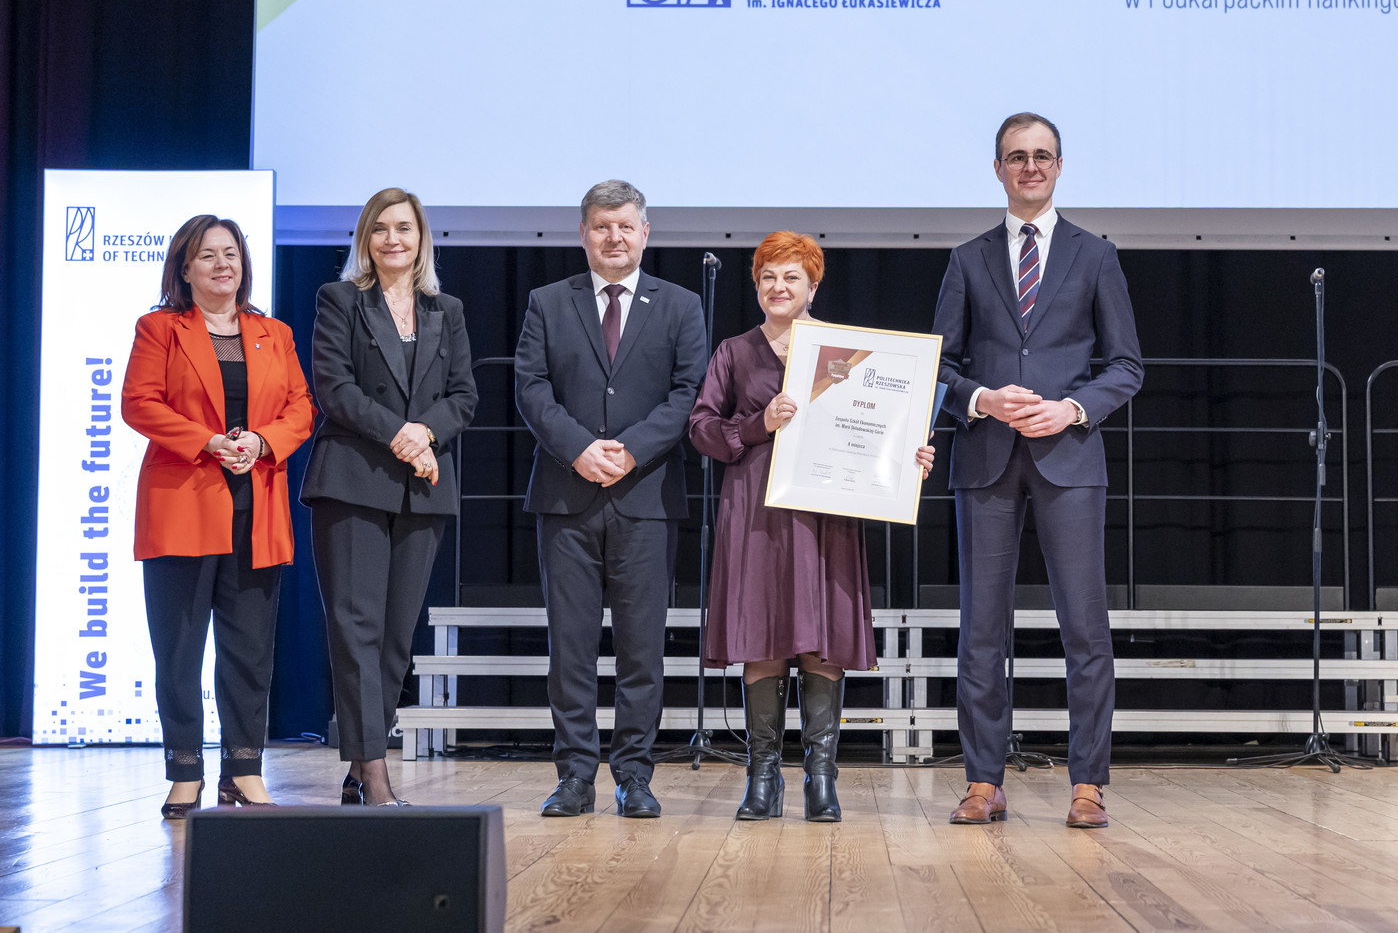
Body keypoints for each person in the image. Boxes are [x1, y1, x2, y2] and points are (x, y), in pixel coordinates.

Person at [932, 113, 1143, 829]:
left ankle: (1088, 784)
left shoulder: (1096, 256)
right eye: (1017, 157)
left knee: (1085, 628)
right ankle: (983, 781)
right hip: (985, 460)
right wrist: (982, 399)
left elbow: (1126, 366)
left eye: (1042, 156)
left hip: (1069, 460)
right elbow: (939, 365)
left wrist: (1072, 409)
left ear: (1059, 166)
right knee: (980, 630)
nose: (1030, 167)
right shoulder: (967, 259)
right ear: (998, 169)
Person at [688, 232, 934, 822]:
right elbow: (700, 428)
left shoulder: (848, 354)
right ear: (756, 285)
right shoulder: (733, 352)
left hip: (827, 513)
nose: (779, 287)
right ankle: (763, 778)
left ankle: (821, 778)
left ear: (813, 287)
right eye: (768, 276)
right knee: (763, 636)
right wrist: (757, 424)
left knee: (821, 639)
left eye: (791, 277)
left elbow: (882, 425)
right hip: (756, 512)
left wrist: (908, 459)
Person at [514, 179, 707, 819]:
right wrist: (578, 449)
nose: (614, 237)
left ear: (645, 233)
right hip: (566, 496)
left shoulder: (680, 305)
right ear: (584, 233)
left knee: (641, 650)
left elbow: (689, 392)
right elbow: (531, 388)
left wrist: (630, 450)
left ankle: (634, 775)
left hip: (646, 497)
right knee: (570, 649)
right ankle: (574, 775)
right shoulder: (548, 301)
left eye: (626, 226)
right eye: (602, 226)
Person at [122, 214, 315, 819]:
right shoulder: (160, 328)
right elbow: (138, 403)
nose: (221, 264)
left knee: (249, 651)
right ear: (185, 268)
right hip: (182, 504)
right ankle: (185, 772)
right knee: (179, 650)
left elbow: (301, 408)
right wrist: (207, 442)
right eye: (207, 255)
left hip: (257, 510)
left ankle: (243, 770)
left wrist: (261, 441)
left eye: (230, 253)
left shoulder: (274, 333)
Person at [300, 188, 478, 806]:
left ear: (421, 237)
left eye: (404, 227)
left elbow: (464, 395)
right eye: (380, 229)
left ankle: (360, 765)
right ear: (365, 240)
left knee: (397, 637)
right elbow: (334, 388)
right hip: (352, 481)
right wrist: (403, 435)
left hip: (422, 489)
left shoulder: (446, 309)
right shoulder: (340, 299)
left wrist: (424, 432)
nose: (392, 239)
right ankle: (374, 773)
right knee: (357, 630)